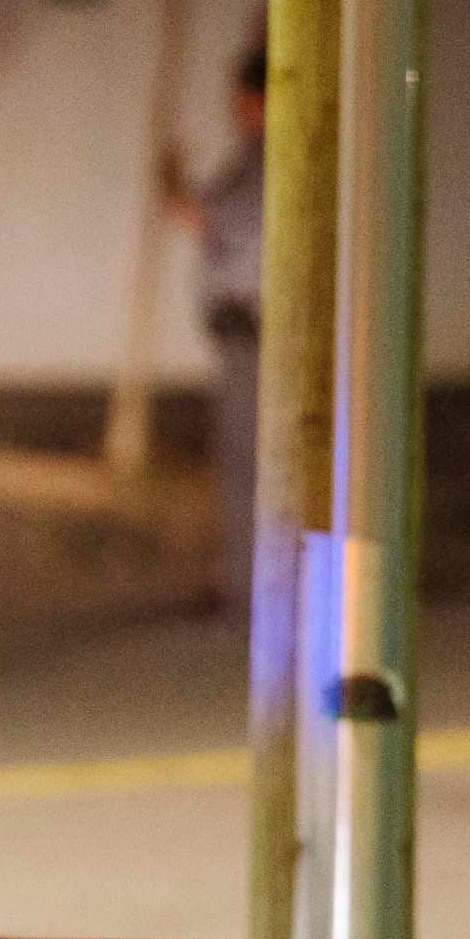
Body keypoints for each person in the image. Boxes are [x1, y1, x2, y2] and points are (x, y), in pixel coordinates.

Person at [163, 41, 267, 608]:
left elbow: (210, 220)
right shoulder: (252, 159)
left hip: (253, 330)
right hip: (243, 330)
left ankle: (249, 588)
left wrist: (171, 184)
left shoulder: (266, 162)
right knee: (244, 462)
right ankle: (247, 582)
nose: (236, 109)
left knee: (247, 464)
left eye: (242, 98)